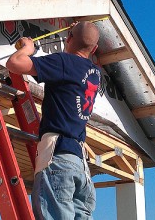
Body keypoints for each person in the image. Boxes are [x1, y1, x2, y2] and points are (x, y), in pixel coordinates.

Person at [6, 21, 101, 219]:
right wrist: (76, 34)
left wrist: (27, 48)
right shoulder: (94, 74)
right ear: (95, 49)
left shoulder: (64, 62)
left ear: (68, 39)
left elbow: (14, 64)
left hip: (58, 159)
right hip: (80, 166)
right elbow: (83, 46)